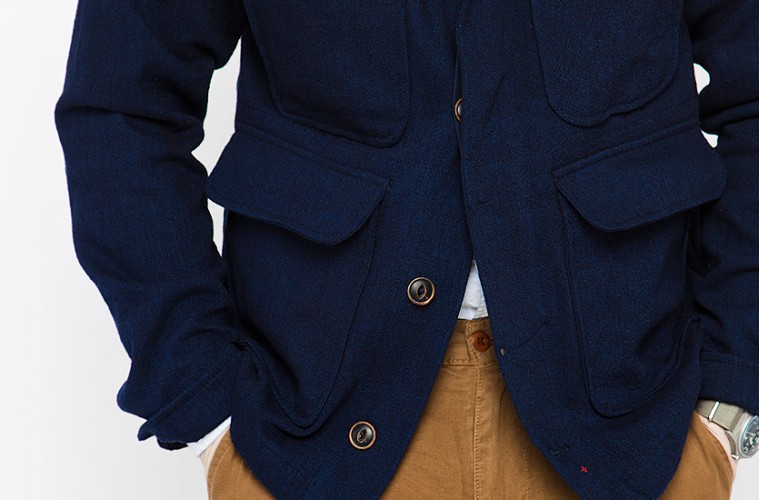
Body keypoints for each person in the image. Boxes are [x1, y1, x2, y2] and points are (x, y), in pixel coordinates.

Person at [55, 0, 759, 498]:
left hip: (638, 426)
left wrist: (730, 403)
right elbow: (122, 107)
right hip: (311, 435)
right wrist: (204, 405)